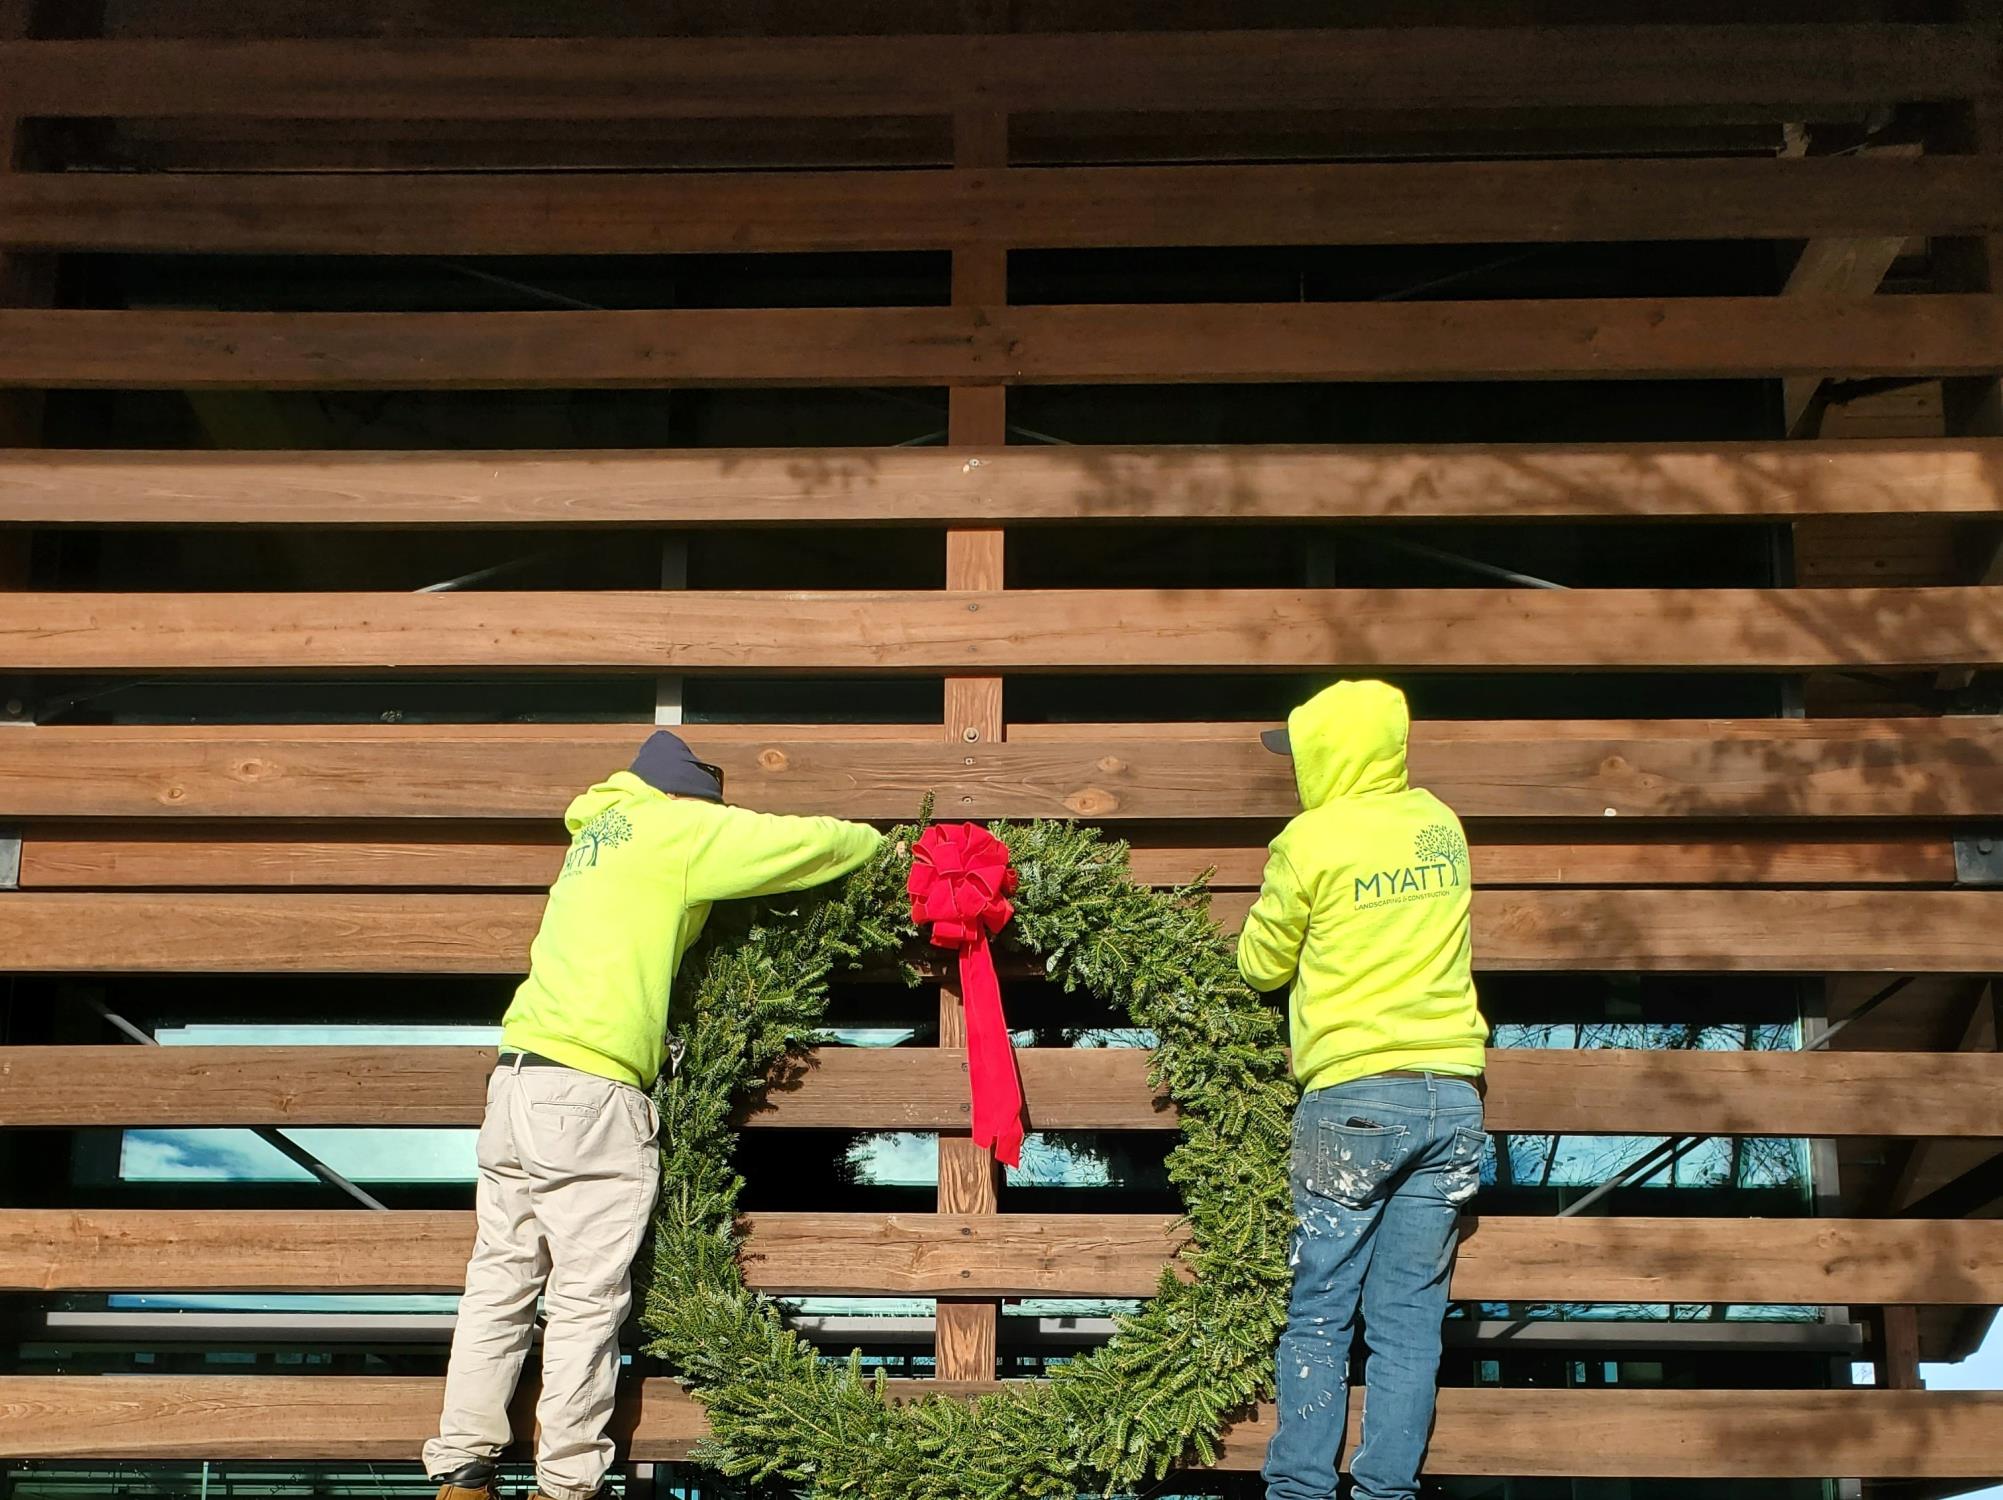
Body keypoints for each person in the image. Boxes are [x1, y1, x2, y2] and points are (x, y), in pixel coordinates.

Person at [425, 730, 885, 1500]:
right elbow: (807, 846)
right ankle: (567, 1485)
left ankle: (461, 1470)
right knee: (584, 1296)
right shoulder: (676, 828)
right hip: (590, 1090)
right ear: (690, 798)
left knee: (500, 1281)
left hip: (516, 1080)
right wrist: (880, 840)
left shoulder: (599, 828)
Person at [1238, 679, 1489, 1500]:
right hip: (1451, 1098)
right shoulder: (1439, 826)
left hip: (1352, 1096)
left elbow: (1260, 963)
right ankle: (1386, 1493)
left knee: (1318, 1311)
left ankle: (1300, 1491)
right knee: (1409, 1323)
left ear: (1326, 755)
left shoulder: (1308, 840)